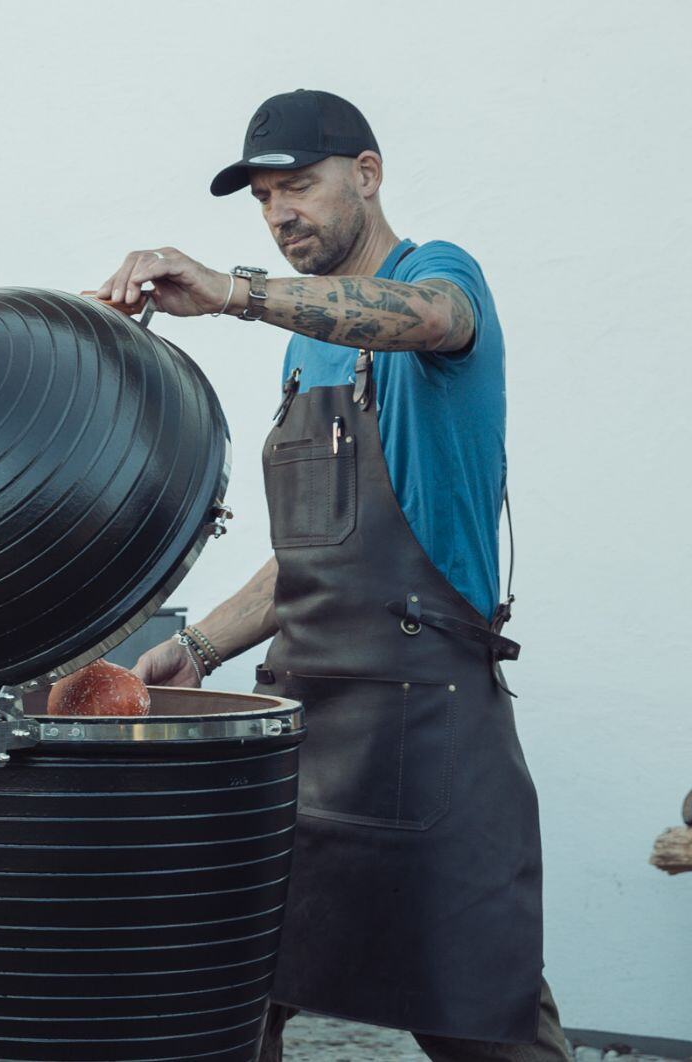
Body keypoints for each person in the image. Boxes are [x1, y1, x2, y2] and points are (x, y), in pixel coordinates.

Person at [93, 90, 571, 1061]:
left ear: (365, 174)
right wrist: (194, 646)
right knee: (235, 993)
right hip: (305, 717)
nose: (278, 216)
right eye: (263, 198)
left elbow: (428, 317)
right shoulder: (308, 346)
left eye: (297, 187)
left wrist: (231, 291)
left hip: (429, 722)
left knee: (481, 1015)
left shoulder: (433, 278)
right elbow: (315, 554)